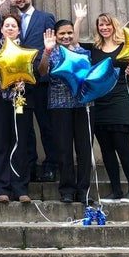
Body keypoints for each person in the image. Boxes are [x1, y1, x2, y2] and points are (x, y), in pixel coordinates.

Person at [39, 17, 93, 204]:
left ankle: (84, 190)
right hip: (59, 105)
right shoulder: (51, 53)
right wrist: (46, 52)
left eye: (69, 32)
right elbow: (42, 72)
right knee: (64, 149)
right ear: (56, 35)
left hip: (82, 106)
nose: (66, 36)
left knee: (84, 150)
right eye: (62, 33)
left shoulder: (84, 52)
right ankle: (67, 190)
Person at [0, 16, 34, 203]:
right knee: (1, 144)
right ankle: (1, 188)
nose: (10, 28)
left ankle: (20, 188)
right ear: (1, 29)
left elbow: (35, 72)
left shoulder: (27, 50)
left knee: (20, 143)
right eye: (7, 25)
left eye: (14, 25)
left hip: (19, 101)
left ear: (19, 30)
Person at [91, 13, 129, 203]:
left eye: (107, 24)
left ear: (114, 26)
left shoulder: (125, 47)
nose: (104, 28)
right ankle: (115, 191)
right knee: (106, 149)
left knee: (123, 147)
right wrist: (79, 21)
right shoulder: (94, 49)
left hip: (120, 99)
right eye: (100, 25)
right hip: (100, 101)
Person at [12, 0, 57, 182]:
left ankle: (50, 165)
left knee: (45, 125)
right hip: (20, 87)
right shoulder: (12, 21)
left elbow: (52, 47)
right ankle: (29, 166)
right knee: (24, 126)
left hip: (40, 83)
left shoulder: (45, 17)